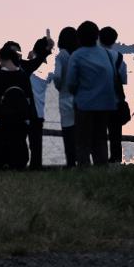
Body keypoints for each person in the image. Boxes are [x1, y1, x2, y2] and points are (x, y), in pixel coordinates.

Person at [64, 20, 117, 167]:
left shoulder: (77, 55)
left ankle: (84, 170)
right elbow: (112, 76)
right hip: (105, 104)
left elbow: (71, 83)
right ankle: (102, 169)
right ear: (96, 36)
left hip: (85, 104)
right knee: (100, 139)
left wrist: (77, 93)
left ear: (79, 38)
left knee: (82, 141)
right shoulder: (106, 54)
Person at [0, 42, 35, 171]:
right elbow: (28, 95)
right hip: (19, 116)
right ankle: (17, 164)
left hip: (3, 115)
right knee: (18, 141)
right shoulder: (22, 74)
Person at [52, 26, 83, 169]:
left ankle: (71, 162)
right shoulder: (78, 55)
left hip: (64, 97)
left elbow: (57, 76)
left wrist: (58, 86)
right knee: (80, 131)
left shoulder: (61, 56)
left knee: (68, 131)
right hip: (79, 97)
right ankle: (82, 160)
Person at [22, 35, 55, 170]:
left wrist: (31, 58)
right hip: (40, 109)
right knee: (36, 142)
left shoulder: (30, 67)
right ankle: (36, 166)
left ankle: (27, 165)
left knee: (27, 140)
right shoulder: (48, 69)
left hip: (30, 108)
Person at [99, 25, 128, 164]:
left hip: (97, 101)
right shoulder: (119, 58)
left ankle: (101, 162)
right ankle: (116, 162)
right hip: (115, 101)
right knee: (116, 136)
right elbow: (123, 79)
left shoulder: (95, 55)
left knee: (99, 135)